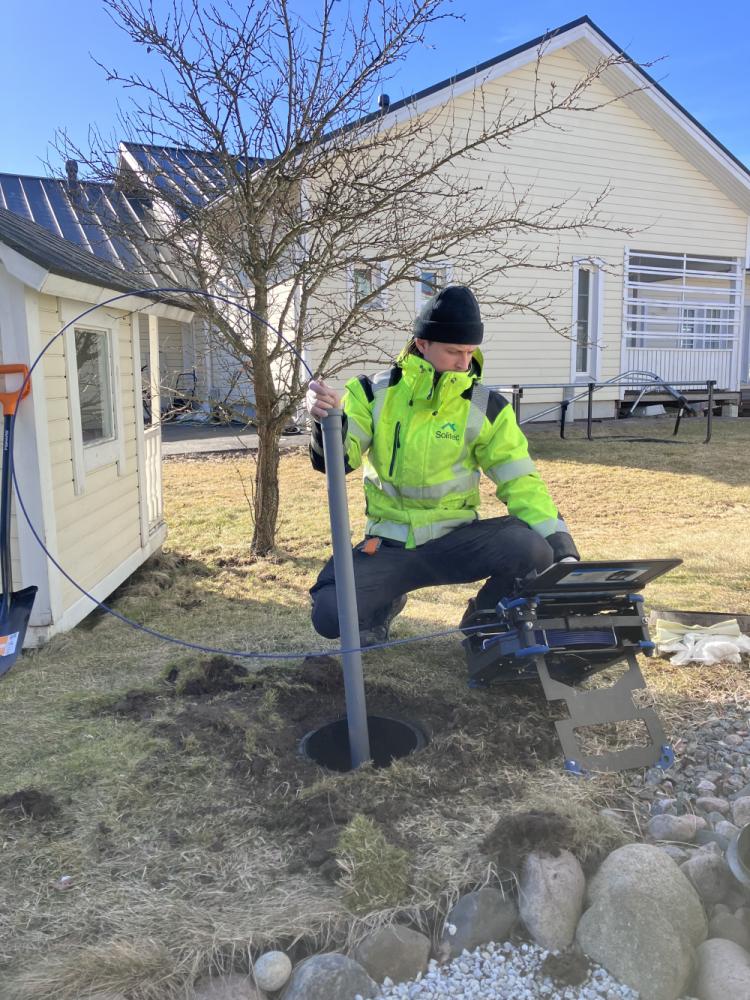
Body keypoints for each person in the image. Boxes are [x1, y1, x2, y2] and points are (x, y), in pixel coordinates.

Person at [306, 284, 579, 646]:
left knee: (532, 548)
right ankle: (381, 606)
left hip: (457, 542)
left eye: (470, 351)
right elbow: (339, 461)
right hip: (391, 544)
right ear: (422, 344)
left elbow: (520, 480)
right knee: (329, 614)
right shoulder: (372, 393)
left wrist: (561, 546)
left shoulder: (485, 405)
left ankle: (483, 621)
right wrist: (328, 422)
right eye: (453, 351)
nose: (464, 363)